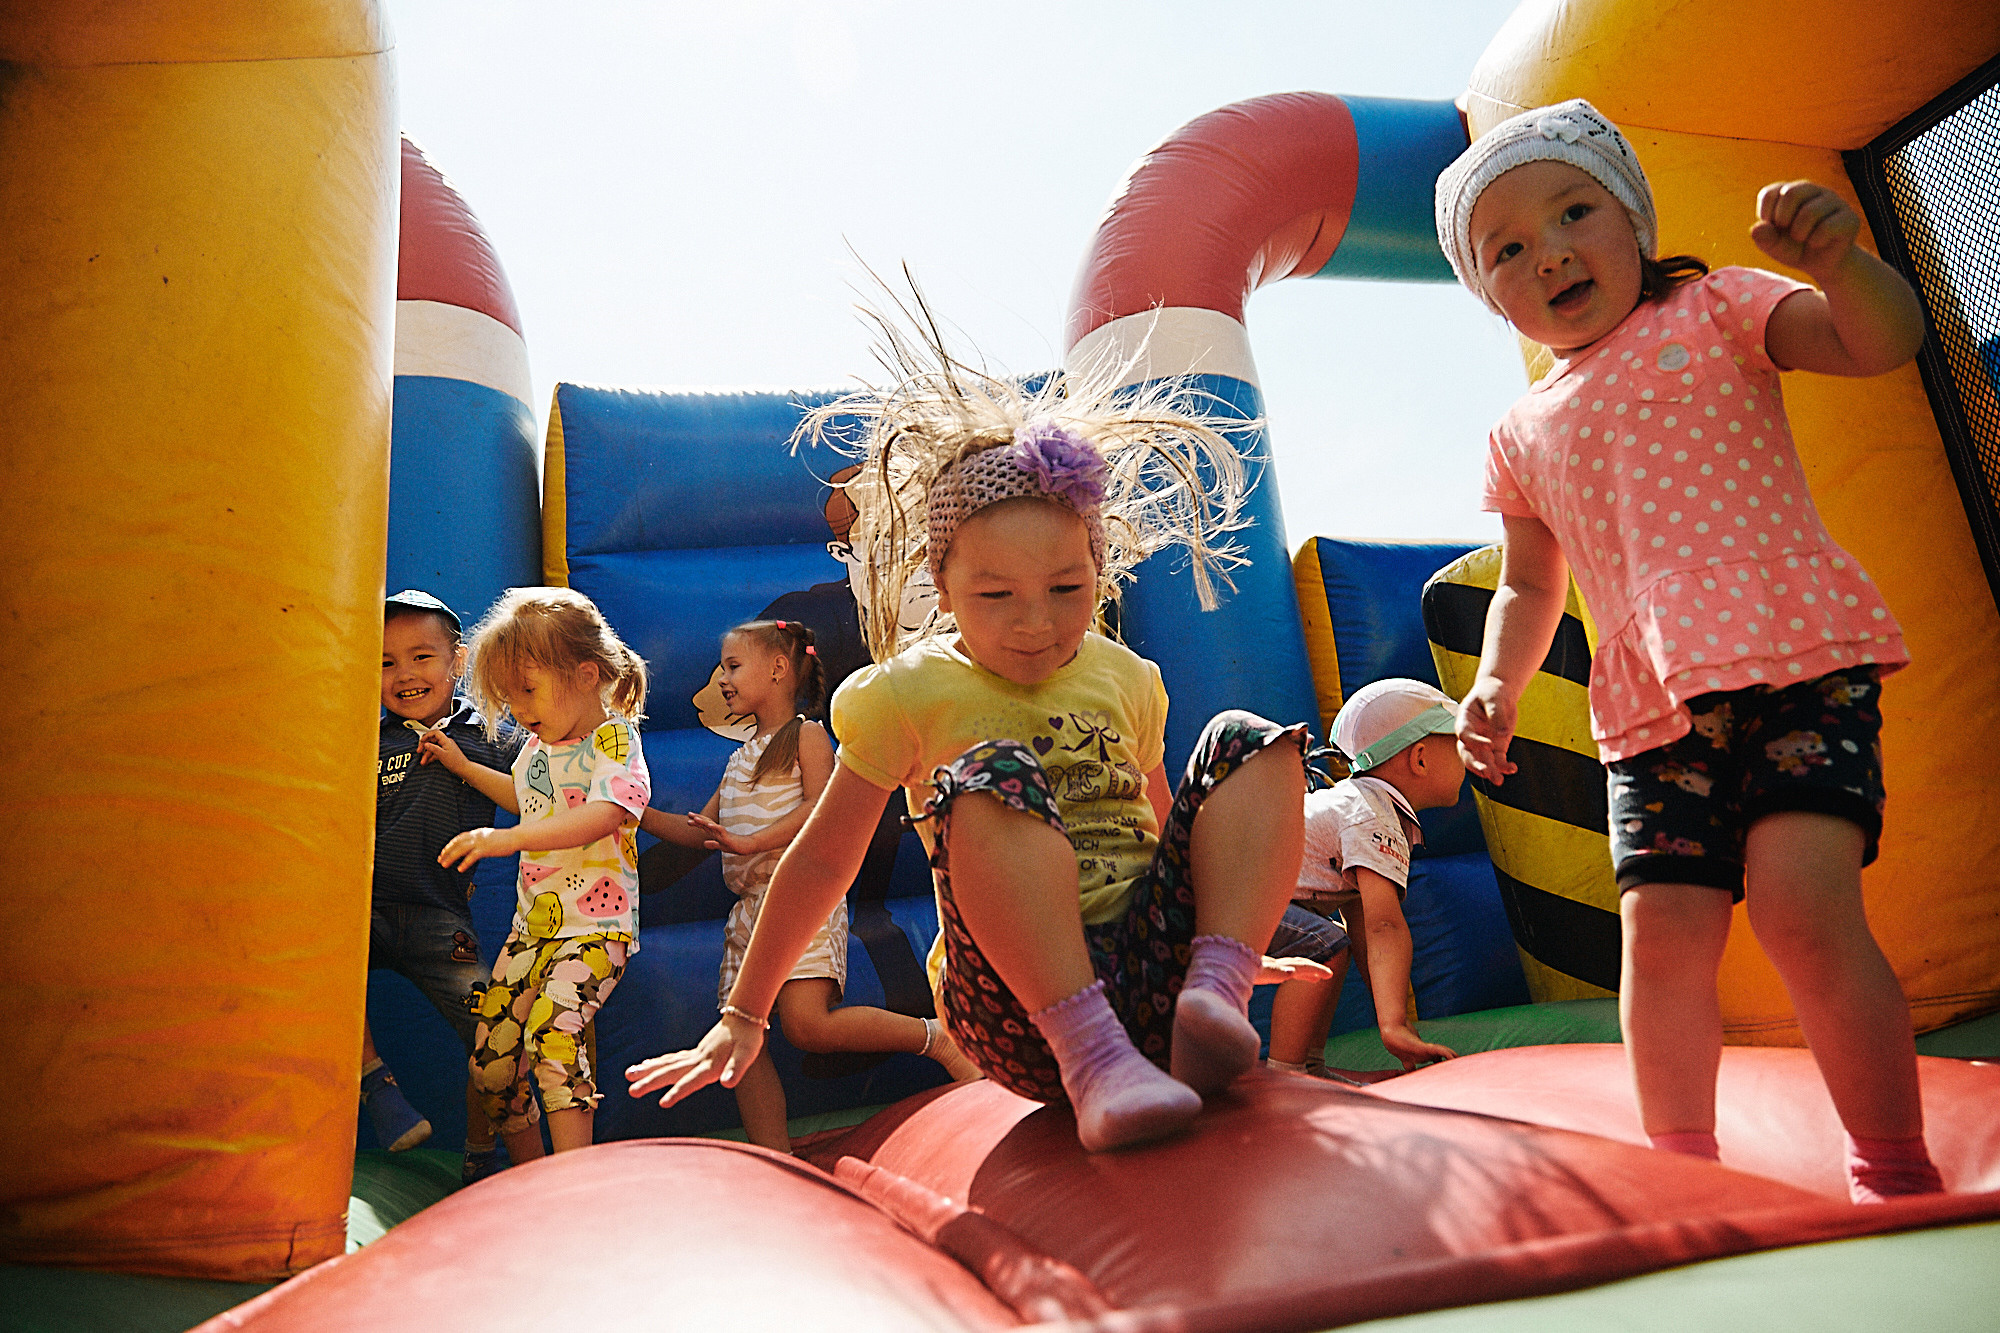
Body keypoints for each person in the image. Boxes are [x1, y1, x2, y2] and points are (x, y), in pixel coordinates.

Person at [628, 293, 1313, 1152]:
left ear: (1099, 571)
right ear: (941, 587)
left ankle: (1213, 991)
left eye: (1067, 590)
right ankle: (1095, 1060)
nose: (1036, 621)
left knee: (1253, 740)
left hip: (1156, 970)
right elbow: (823, 859)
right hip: (1020, 1009)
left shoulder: (1126, 676)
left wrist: (1234, 932)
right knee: (990, 772)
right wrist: (745, 1013)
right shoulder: (908, 692)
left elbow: (1168, 818)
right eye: (997, 596)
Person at [1435, 99, 1941, 1201]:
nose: (1549, 252)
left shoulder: (1713, 309)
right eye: (1506, 250)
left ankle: (1892, 1167)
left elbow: (1874, 339)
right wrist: (1492, 684)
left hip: (1790, 654)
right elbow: (1529, 579)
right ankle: (1678, 1169)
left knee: (1806, 908)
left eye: (1573, 212)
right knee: (1659, 941)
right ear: (1489, 296)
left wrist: (1842, 263)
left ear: (1631, 219)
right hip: (1649, 705)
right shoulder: (1523, 428)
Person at [640, 617, 979, 1152]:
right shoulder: (738, 758)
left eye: (732, 666)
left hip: (801, 898)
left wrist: (753, 843)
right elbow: (697, 832)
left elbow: (820, 810)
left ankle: (936, 1038)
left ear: (778, 668)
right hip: (749, 910)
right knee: (738, 1045)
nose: (723, 679)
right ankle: (776, 1156)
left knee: (806, 1025)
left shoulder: (808, 735)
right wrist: (630, 810)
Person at [437, 587, 652, 1166]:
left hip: (596, 929)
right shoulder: (535, 746)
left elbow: (602, 814)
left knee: (555, 1036)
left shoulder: (615, 742)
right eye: (510, 698)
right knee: (491, 1068)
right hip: (532, 931)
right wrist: (464, 767)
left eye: (528, 690)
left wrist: (506, 841)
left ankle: (570, 1179)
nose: (520, 709)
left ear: (586, 674)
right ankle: (533, 1176)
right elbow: (530, 802)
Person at [371, 590, 523, 1182]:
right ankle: (375, 1084)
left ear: (457, 662)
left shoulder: (490, 734)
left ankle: (481, 1156)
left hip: (438, 922)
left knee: (494, 1037)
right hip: (362, 912)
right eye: (386, 662)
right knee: (309, 965)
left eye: (421, 657)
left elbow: (543, 785)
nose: (405, 674)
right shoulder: (367, 739)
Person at [1273, 679, 1466, 1075]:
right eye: (1458, 744)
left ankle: (1308, 1068)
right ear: (1421, 759)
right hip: (1224, 892)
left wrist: (1390, 1012)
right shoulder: (1373, 817)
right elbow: (1384, 927)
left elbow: (1363, 928)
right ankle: (1284, 1073)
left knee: (1328, 944)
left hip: (1237, 890)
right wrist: (1392, 1024)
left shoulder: (1363, 808)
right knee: (1323, 945)